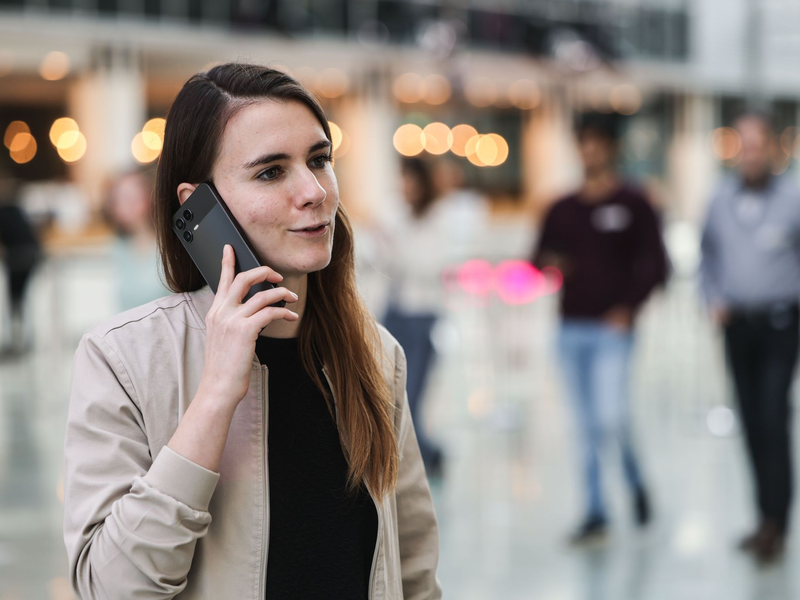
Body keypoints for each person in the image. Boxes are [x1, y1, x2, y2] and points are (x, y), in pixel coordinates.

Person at [63, 63, 441, 599]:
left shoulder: (376, 354)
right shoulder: (123, 359)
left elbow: (415, 570)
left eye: (319, 160)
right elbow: (113, 587)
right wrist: (216, 394)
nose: (313, 191)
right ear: (199, 204)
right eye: (271, 171)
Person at [531, 112, 668, 545]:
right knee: (586, 424)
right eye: (583, 143)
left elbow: (657, 264)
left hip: (612, 332)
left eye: (596, 142)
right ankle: (595, 511)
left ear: (611, 147)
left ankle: (633, 480)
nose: (589, 151)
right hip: (571, 329)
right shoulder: (562, 207)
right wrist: (554, 264)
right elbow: (537, 257)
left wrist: (629, 307)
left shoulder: (634, 202)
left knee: (610, 417)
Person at [700, 112, 800, 563]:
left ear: (772, 149)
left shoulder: (793, 197)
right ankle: (762, 516)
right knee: (750, 421)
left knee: (772, 415)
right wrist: (713, 296)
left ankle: (777, 523)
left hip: (781, 322)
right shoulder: (721, 198)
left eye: (758, 145)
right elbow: (708, 257)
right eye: (743, 146)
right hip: (737, 326)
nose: (751, 154)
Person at [103, 168, 169, 311]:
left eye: (133, 196)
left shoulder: (169, 248)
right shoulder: (118, 249)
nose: (128, 204)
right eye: (122, 198)